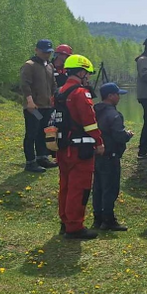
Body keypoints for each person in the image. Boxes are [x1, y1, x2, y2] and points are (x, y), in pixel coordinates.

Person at [54, 54, 105, 240]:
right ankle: (74, 227)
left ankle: (65, 221)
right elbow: (89, 122)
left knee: (65, 186)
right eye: (87, 74)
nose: (88, 77)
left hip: (62, 147)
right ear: (82, 72)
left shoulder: (59, 92)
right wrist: (99, 142)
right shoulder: (80, 93)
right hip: (80, 150)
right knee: (79, 188)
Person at [93, 82, 134, 231]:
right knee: (110, 189)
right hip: (111, 155)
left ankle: (97, 219)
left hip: (97, 155)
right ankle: (108, 220)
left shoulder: (94, 111)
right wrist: (127, 135)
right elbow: (118, 136)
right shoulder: (114, 114)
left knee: (97, 188)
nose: (119, 98)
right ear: (110, 96)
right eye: (118, 95)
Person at [20, 39, 58, 173]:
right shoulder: (29, 65)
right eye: (44, 52)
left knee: (44, 132)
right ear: (36, 50)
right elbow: (25, 85)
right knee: (32, 133)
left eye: (49, 52)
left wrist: (55, 98)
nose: (46, 55)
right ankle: (30, 162)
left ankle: (42, 157)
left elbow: (53, 84)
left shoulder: (50, 66)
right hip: (34, 107)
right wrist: (30, 101)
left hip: (47, 106)